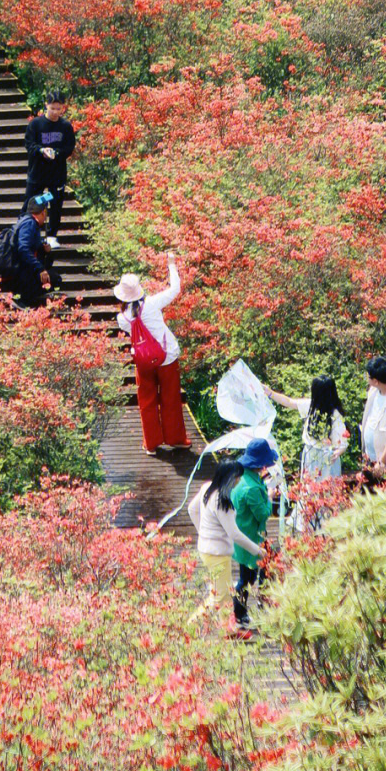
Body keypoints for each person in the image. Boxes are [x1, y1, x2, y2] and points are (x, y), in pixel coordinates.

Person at [114, 255, 188, 455]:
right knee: (170, 398)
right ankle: (176, 439)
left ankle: (151, 444)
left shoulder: (122, 318)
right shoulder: (153, 303)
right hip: (167, 356)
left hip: (143, 361)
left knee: (146, 401)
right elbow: (175, 289)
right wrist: (171, 264)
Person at [188, 462, 265, 625]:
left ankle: (227, 629)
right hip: (218, 555)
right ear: (232, 479)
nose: (238, 481)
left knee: (221, 592)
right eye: (237, 478)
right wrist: (258, 551)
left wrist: (203, 532)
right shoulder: (224, 503)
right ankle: (190, 626)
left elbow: (192, 509)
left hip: (205, 550)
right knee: (219, 597)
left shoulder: (207, 488)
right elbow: (235, 534)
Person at [231, 438, 279, 633]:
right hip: (251, 541)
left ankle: (259, 605)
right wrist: (269, 497)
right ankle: (241, 614)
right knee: (247, 579)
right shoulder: (251, 489)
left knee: (262, 571)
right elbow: (263, 513)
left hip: (246, 537)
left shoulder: (244, 480)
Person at [262, 375, 349, 479]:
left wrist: (336, 453)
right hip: (310, 454)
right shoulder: (311, 405)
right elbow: (289, 402)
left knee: (326, 490)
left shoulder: (335, 414)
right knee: (310, 489)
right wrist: (270, 392)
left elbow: (343, 443)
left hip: (327, 458)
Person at [22, 91, 75, 250]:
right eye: (52, 108)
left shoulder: (65, 126)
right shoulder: (36, 124)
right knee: (32, 202)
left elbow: (69, 147)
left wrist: (56, 153)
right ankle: (25, 231)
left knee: (56, 203)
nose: (55, 112)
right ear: (46, 105)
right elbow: (29, 144)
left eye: (58, 109)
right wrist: (41, 150)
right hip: (37, 173)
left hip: (56, 174)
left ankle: (51, 235)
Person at [15, 196, 61, 309]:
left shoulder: (27, 221)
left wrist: (46, 251)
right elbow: (23, 249)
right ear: (43, 212)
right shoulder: (29, 224)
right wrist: (40, 269)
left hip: (24, 271)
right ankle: (23, 298)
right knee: (55, 279)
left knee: (52, 276)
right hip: (22, 274)